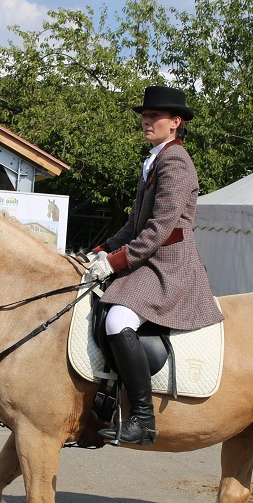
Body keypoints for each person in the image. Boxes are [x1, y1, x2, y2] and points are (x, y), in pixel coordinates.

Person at [87, 85, 223, 446]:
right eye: (145, 116)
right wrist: (98, 250)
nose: (146, 121)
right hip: (149, 259)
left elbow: (159, 230)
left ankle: (143, 420)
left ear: (175, 122)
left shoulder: (176, 162)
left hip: (170, 267)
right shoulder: (154, 160)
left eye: (154, 117)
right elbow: (133, 226)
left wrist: (114, 263)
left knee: (118, 319)